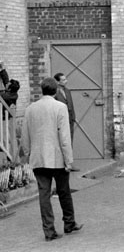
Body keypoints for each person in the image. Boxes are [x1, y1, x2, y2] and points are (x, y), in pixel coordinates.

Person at [20, 77, 83, 241]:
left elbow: (24, 135)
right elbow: (64, 137)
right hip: (57, 158)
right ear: (55, 91)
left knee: (44, 194)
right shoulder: (60, 107)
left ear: (42, 90)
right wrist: (69, 159)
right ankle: (69, 223)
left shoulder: (30, 109)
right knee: (64, 191)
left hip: (38, 158)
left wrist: (27, 154)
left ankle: (49, 230)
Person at [53, 74, 76, 146]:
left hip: (69, 119)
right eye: (63, 80)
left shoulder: (68, 91)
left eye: (65, 79)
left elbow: (71, 104)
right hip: (60, 119)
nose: (66, 81)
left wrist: (73, 117)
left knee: (70, 139)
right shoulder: (54, 92)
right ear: (57, 82)